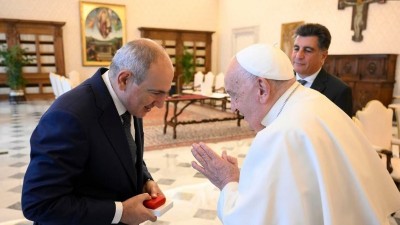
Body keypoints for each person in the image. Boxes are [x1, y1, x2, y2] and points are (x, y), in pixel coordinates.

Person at [191, 43, 400, 225]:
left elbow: (249, 219)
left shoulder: (280, 135)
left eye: (234, 95)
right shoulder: (313, 100)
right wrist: (243, 180)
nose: (233, 107)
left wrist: (227, 182)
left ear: (262, 89)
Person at [22, 38, 174, 224]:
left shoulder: (131, 101)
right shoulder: (69, 116)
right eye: (156, 93)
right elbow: (39, 203)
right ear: (124, 79)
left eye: (166, 93)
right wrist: (120, 212)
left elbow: (127, 151)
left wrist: (145, 179)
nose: (160, 104)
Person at [292, 23, 353, 116]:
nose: (299, 55)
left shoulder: (339, 91)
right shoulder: (279, 79)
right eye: (296, 48)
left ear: (323, 56)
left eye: (307, 50)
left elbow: (340, 130)